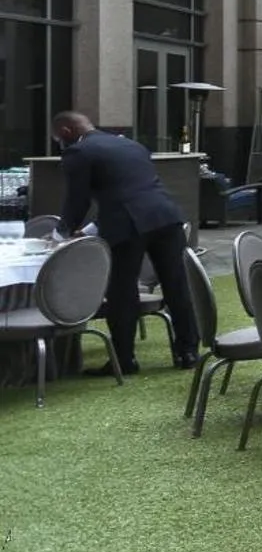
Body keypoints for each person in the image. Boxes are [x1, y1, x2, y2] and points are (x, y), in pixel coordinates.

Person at [53, 110, 200, 374]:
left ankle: (123, 360)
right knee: (176, 285)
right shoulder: (130, 144)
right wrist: (88, 229)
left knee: (121, 292)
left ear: (66, 132)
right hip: (166, 216)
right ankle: (188, 352)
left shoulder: (78, 153)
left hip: (128, 226)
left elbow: (78, 201)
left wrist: (60, 234)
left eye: (58, 139)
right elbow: (126, 191)